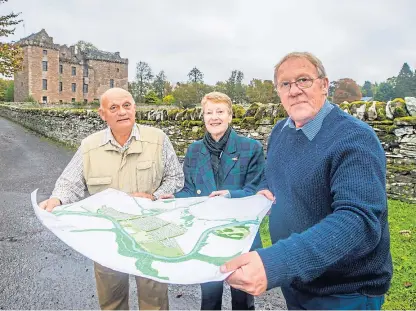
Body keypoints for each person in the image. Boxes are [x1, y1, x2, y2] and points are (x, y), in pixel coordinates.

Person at [220, 52, 393, 310]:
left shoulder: (354, 138)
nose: (295, 90)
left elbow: (358, 221)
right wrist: (233, 198)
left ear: (324, 85)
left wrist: (277, 262)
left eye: (304, 80)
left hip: (343, 292)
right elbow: (272, 183)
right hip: (298, 282)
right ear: (278, 91)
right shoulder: (281, 132)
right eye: (285, 84)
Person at [39, 87, 184, 310]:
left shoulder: (158, 140)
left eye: (127, 105)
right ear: (102, 114)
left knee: (154, 300)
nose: (122, 112)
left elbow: (175, 178)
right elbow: (70, 183)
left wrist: (153, 196)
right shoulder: (89, 146)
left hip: (151, 234)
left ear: (135, 108)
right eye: (114, 108)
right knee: (111, 300)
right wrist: (57, 199)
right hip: (107, 236)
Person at [170, 91, 266, 310]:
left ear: (230, 116)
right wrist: (171, 199)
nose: (214, 117)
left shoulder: (251, 148)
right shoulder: (194, 150)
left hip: (240, 232)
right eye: (209, 112)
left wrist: (230, 196)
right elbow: (189, 190)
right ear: (203, 117)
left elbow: (257, 189)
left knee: (242, 298)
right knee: (210, 297)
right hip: (207, 233)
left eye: (220, 112)